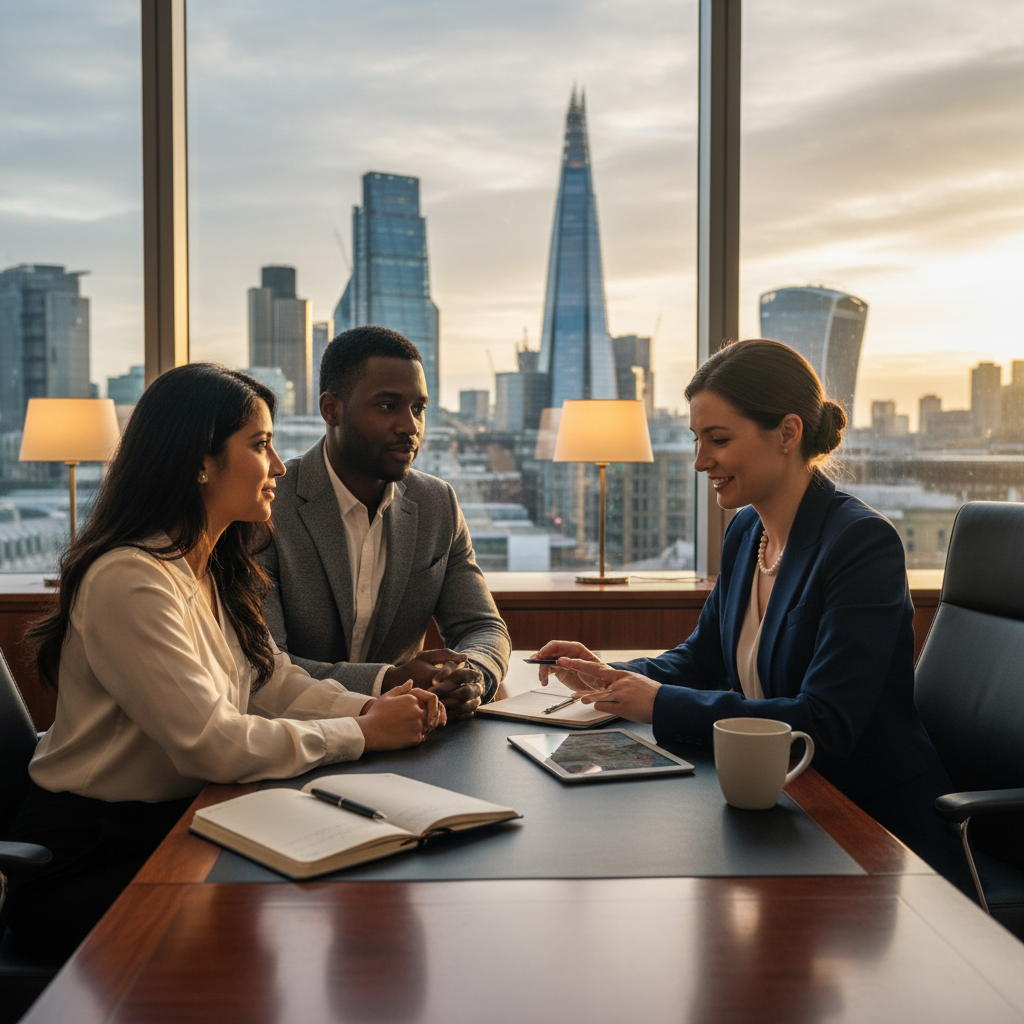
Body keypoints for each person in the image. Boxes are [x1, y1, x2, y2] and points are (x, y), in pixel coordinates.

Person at [7, 364, 444, 959]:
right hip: (94, 857)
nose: (280, 468)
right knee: (283, 933)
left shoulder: (206, 567)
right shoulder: (130, 579)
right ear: (200, 461)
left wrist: (371, 705)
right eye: (260, 445)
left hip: (176, 825)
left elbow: (272, 682)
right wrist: (361, 733)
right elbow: (212, 744)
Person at [534, 338, 957, 879]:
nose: (698, 461)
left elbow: (823, 724)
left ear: (787, 433)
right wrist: (611, 677)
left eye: (718, 439)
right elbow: (703, 656)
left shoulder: (860, 543)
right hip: (778, 802)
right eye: (696, 439)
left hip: (866, 824)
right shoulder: (746, 531)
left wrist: (659, 703)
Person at [261, 325, 511, 721]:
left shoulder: (436, 503)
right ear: (332, 409)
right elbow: (266, 665)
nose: (410, 426)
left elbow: (482, 625)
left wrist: (471, 675)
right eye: (388, 405)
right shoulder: (270, 506)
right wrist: (387, 681)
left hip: (412, 738)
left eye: (418, 408)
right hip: (296, 735)